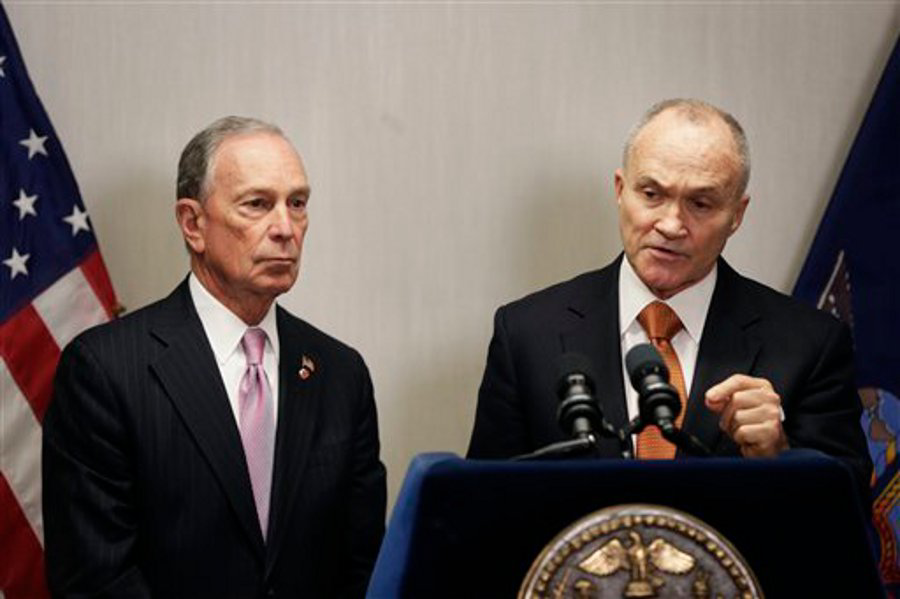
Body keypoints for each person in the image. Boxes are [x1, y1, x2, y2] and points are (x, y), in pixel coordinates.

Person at [43, 116, 387, 598]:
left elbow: (364, 565)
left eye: (298, 203)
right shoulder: (105, 370)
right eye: (257, 204)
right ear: (193, 223)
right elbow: (96, 577)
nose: (286, 228)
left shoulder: (341, 374)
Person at [467, 99, 871, 486]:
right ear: (620, 190)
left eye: (700, 203)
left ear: (737, 215)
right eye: (652, 194)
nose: (672, 224)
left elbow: (850, 523)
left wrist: (780, 454)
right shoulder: (525, 332)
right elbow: (481, 508)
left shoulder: (809, 345)